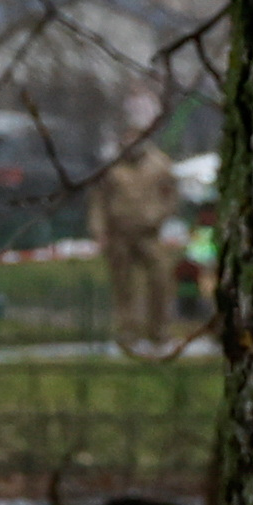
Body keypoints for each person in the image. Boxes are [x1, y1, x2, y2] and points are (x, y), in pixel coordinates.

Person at [83, 114, 184, 356]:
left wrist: (162, 215)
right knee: (124, 286)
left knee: (160, 279)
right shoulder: (112, 168)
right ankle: (127, 333)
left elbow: (171, 194)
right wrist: (99, 231)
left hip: (150, 232)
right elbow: (98, 202)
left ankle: (159, 332)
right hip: (119, 234)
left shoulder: (160, 164)